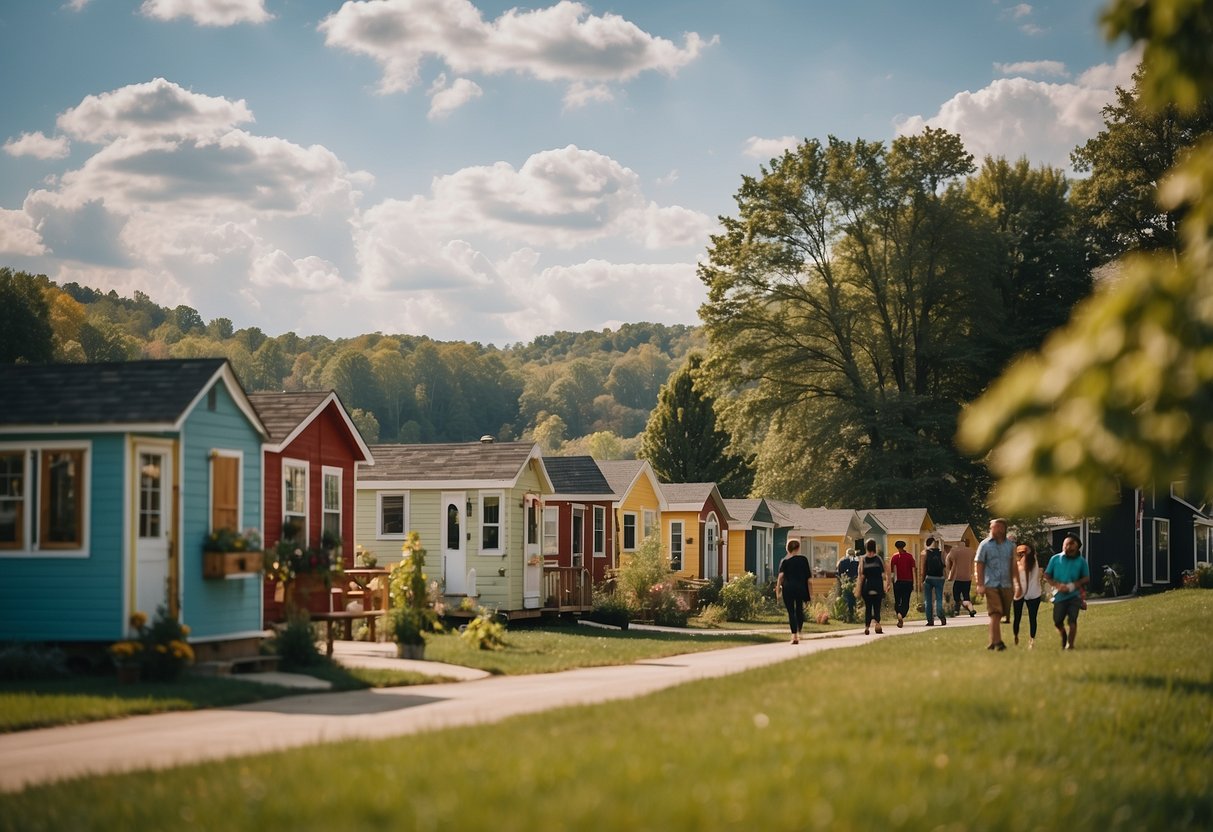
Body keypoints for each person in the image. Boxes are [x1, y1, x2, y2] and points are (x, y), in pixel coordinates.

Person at [1045, 533, 1090, 650]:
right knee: (1057, 621)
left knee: (1072, 620)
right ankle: (1064, 637)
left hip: (1074, 596)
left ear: (1076, 547)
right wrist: (1057, 585)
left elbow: (1086, 578)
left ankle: (1070, 645)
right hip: (1059, 596)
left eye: (1071, 544)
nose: (1068, 547)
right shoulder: (1055, 559)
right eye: (1066, 544)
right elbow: (1047, 575)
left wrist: (1073, 585)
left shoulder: (1081, 561)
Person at [975, 518, 1015, 651]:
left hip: (1006, 584)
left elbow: (1013, 565)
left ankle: (993, 642)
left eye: (997, 527)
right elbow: (979, 564)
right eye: (992, 527)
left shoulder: (1010, 546)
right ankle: (998, 642)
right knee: (995, 613)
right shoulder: (985, 545)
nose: (994, 530)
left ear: (1003, 529)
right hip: (990, 584)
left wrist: (1016, 583)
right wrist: (980, 584)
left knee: (1002, 613)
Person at [775, 539, 811, 644]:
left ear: (787, 548)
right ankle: (799, 631)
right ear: (798, 548)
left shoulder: (784, 561)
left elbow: (780, 577)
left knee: (791, 612)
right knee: (799, 609)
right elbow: (809, 579)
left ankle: (794, 636)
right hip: (800, 588)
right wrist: (810, 593)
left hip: (788, 588)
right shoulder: (803, 560)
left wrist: (778, 591)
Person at [1011, 541, 1043, 648]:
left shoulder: (1028, 562)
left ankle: (1019, 637)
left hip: (1025, 593)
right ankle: (1030, 640)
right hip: (1033, 594)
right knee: (1031, 618)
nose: (1022, 555)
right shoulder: (1033, 561)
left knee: (1018, 617)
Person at [855, 539, 888, 635]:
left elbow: (860, 574)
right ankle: (877, 624)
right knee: (877, 607)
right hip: (877, 586)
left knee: (868, 608)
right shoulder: (878, 559)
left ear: (866, 547)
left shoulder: (863, 559)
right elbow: (883, 573)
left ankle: (867, 627)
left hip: (867, 586)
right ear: (874, 547)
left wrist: (858, 588)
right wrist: (885, 586)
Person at [889, 539, 917, 628]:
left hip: (897, 582)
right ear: (904, 546)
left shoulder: (894, 557)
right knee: (906, 600)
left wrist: (890, 582)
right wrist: (914, 582)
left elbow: (892, 571)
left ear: (897, 547)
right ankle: (902, 614)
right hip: (908, 582)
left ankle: (898, 614)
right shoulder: (910, 557)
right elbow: (913, 570)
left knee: (897, 600)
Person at [920, 536, 947, 626]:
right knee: (939, 598)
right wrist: (945, 577)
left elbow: (923, 569)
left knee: (928, 600)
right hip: (940, 578)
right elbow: (945, 566)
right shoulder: (942, 553)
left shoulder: (924, 553)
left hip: (928, 578)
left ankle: (930, 621)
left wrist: (921, 581)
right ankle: (941, 616)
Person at [947, 544, 977, 617]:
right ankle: (970, 609)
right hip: (967, 578)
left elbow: (948, 562)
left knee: (956, 596)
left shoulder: (954, 551)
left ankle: (957, 610)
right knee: (966, 596)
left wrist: (949, 575)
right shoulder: (971, 551)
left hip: (957, 578)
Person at [836, 547, 859, 621]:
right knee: (853, 600)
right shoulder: (857, 562)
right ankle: (853, 615)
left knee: (845, 600)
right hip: (855, 583)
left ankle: (847, 616)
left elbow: (839, 574)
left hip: (844, 583)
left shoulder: (842, 561)